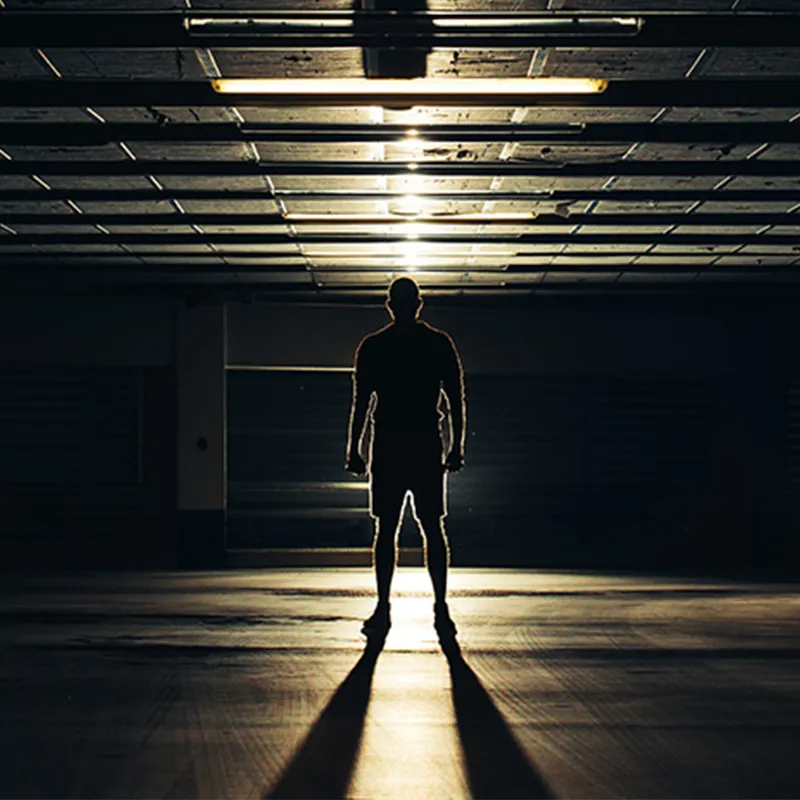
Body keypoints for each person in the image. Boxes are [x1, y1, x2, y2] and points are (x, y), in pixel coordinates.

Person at [345, 277, 466, 640]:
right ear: (419, 303)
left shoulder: (374, 347)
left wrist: (355, 448)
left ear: (390, 305)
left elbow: (363, 404)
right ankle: (440, 609)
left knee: (386, 530)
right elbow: (456, 399)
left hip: (390, 447)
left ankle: (384, 608)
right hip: (424, 444)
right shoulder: (438, 344)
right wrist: (456, 445)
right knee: (431, 527)